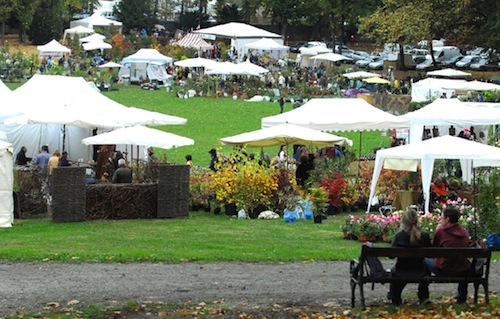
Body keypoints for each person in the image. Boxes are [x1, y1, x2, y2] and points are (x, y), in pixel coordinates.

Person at [425, 207, 471, 304]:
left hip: (444, 269)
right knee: (460, 260)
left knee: (424, 259)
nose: (440, 220)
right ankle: (462, 296)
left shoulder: (441, 232)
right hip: (462, 270)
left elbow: (433, 250)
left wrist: (436, 232)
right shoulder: (464, 232)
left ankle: (423, 294)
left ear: (447, 219)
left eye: (442, 218)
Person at [388, 208, 432, 306]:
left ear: (403, 221)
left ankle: (395, 296)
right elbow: (429, 254)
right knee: (426, 268)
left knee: (394, 271)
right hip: (420, 271)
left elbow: (391, 256)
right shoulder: (424, 236)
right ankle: (423, 296)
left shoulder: (399, 236)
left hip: (401, 271)